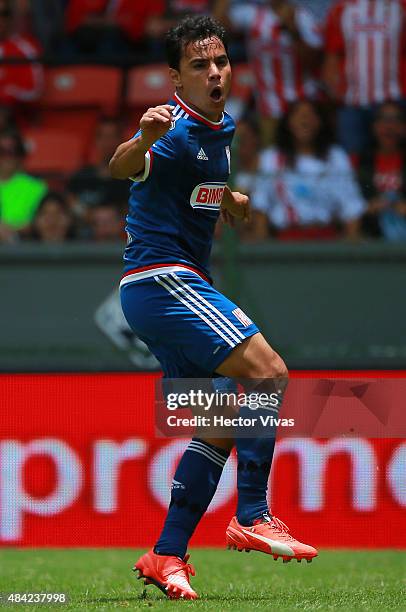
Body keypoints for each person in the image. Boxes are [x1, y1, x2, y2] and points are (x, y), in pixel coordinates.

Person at [110, 16, 317, 601]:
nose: (215, 72)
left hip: (160, 292)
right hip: (163, 280)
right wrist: (142, 140)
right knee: (270, 373)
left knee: (223, 418)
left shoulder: (220, 128)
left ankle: (166, 554)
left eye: (221, 61)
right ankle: (252, 514)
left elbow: (193, 180)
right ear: (175, 75)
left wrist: (227, 198)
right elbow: (121, 167)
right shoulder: (170, 128)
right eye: (200, 65)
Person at [248, 99, 365, 241]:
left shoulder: (336, 157)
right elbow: (260, 204)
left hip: (327, 239)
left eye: (310, 116)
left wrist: (350, 248)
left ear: (319, 122)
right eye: (299, 116)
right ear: (288, 122)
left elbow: (351, 205)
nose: (304, 121)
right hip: (286, 240)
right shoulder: (271, 158)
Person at [216, 0, 323, 144]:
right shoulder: (252, 14)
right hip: (268, 108)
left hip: (301, 105)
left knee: (302, 158)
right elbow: (217, 26)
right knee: (272, 159)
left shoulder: (303, 17)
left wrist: (294, 32)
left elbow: (315, 62)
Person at [323, 0, 406, 155]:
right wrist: (335, 94)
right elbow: (332, 56)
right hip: (352, 104)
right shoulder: (341, 9)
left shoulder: (401, 7)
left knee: (395, 160)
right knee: (353, 160)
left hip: (396, 100)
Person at [357, 101, 406, 239]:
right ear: (374, 126)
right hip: (371, 235)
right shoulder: (359, 161)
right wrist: (367, 207)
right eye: (383, 119)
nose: (389, 126)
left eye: (396, 119)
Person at [67, 117, 129, 218]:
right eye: (103, 137)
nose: (107, 142)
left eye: (112, 137)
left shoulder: (131, 177)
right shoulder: (82, 176)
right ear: (96, 140)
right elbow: (69, 199)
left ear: (121, 141)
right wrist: (87, 215)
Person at [0, 129, 47, 243]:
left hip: (23, 247)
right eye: (1, 151)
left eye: (13, 151)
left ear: (20, 155)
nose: (7, 156)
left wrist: (12, 232)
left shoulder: (37, 187)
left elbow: (41, 223)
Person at [0, 0, 43, 107]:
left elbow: (34, 90)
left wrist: (7, 93)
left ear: (10, 17)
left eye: (3, 14)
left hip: (13, 115)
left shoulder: (25, 48)